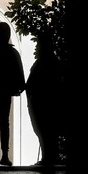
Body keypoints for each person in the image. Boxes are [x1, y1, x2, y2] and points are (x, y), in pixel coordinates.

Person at [0, 22, 26, 166]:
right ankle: (4, 155)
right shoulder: (11, 52)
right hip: (4, 93)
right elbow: (20, 73)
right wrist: (19, 86)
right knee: (4, 123)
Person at [26, 33, 65, 165]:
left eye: (38, 45)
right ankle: (48, 156)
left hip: (43, 103)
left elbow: (32, 83)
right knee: (47, 132)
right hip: (46, 102)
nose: (36, 48)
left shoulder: (44, 62)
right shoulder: (53, 61)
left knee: (45, 131)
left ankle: (49, 157)